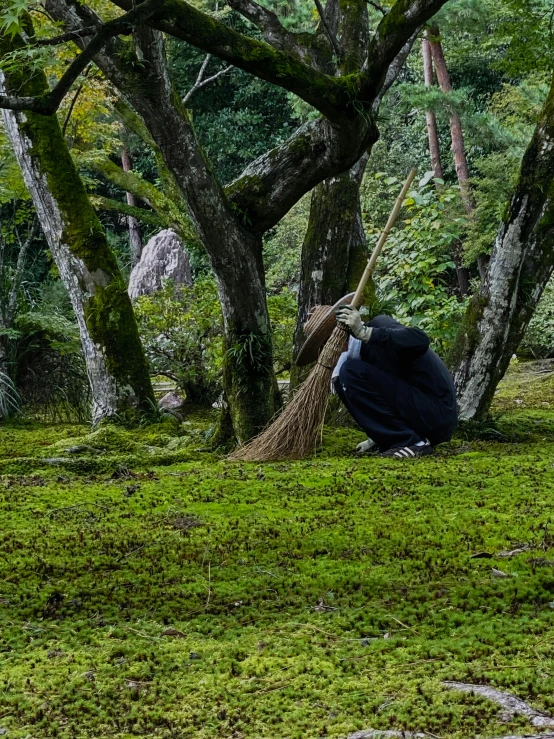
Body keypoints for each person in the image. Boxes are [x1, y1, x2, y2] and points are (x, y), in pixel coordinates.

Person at [333, 305, 457, 459]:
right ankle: (386, 436)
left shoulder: (379, 326)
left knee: (350, 371)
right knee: (340, 379)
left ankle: (409, 443)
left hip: (437, 414)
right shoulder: (357, 358)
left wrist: (365, 333)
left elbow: (421, 339)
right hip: (416, 415)